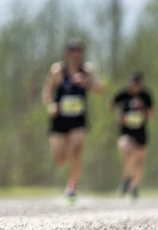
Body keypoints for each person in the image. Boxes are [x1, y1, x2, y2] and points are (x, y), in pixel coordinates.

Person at [40, 39, 105, 202]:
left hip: (78, 119)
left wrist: (87, 82)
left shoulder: (87, 70)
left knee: (77, 150)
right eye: (73, 52)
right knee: (59, 158)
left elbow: (101, 88)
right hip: (60, 119)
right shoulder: (57, 71)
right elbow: (46, 92)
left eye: (80, 52)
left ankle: (71, 187)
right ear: (67, 54)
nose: (76, 55)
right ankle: (69, 170)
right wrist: (51, 106)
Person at [110, 71, 154, 199]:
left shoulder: (146, 96)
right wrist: (118, 115)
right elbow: (111, 104)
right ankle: (127, 179)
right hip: (126, 131)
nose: (134, 85)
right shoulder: (124, 94)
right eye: (131, 82)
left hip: (140, 131)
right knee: (126, 152)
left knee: (139, 161)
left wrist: (144, 110)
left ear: (140, 83)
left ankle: (134, 186)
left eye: (136, 83)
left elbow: (152, 114)